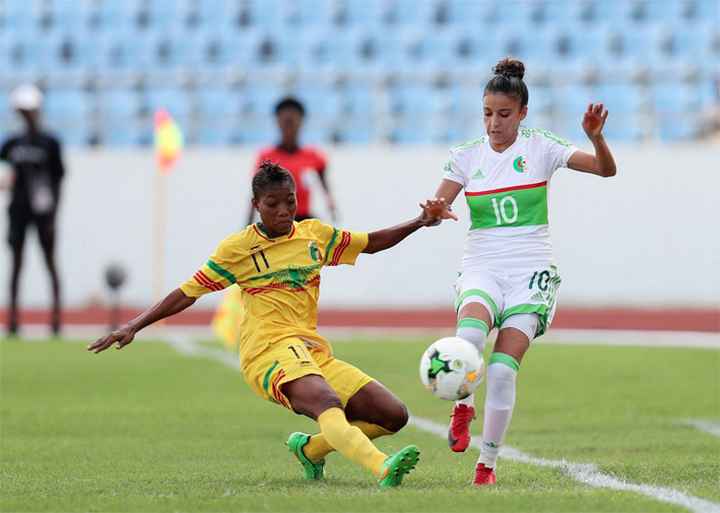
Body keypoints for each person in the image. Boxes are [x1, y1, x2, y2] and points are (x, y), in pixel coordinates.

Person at [89, 161, 455, 488]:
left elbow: (371, 243)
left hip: (310, 350)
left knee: (392, 415)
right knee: (327, 402)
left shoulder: (314, 235)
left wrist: (420, 222)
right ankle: (382, 468)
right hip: (266, 351)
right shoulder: (238, 249)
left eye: (290, 201)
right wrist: (135, 324)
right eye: (273, 204)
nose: (284, 211)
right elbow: (189, 291)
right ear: (256, 206)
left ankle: (310, 450)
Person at [429, 58, 617, 486]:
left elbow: (606, 170)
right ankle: (462, 406)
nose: (494, 124)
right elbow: (437, 208)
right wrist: (434, 212)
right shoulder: (465, 156)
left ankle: (486, 467)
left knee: (499, 370)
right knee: (470, 337)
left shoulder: (541, 147)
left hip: (530, 274)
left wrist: (597, 139)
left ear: (523, 113)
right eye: (487, 113)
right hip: (482, 267)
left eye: (504, 114)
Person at [1, 84, 65, 337]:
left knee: (50, 263)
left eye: (29, 110)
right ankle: (13, 320)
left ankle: (56, 319)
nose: (26, 115)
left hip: (43, 213)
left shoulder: (50, 143)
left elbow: (58, 180)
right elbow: (7, 171)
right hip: (17, 211)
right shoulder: (11, 142)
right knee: (16, 264)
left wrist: (53, 214)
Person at [246, 97, 337, 225]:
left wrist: (331, 204)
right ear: (278, 122)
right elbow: (257, 191)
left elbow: (324, 183)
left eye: (292, 120)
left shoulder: (313, 156)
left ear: (301, 122)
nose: (289, 124)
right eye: (285, 120)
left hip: (303, 219)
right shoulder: (266, 157)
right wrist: (248, 224)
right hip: (276, 221)